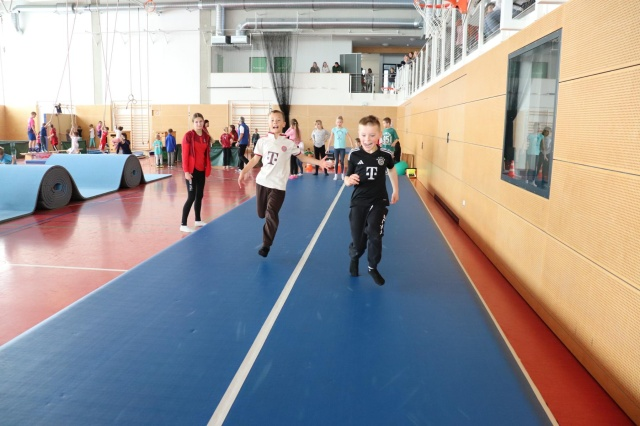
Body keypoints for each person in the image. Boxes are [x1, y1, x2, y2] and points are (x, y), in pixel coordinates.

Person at [238, 110, 328, 258]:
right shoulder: (262, 141)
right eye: (272, 120)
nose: (275, 122)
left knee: (271, 213)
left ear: (284, 124)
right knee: (261, 214)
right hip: (262, 182)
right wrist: (243, 171)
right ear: (268, 123)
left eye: (278, 120)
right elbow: (255, 160)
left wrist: (319, 162)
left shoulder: (289, 143)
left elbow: (303, 158)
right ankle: (265, 228)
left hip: (278, 185)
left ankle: (266, 245)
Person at [345, 115, 399, 286]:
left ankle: (372, 267)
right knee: (359, 242)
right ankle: (355, 256)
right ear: (358, 134)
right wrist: (348, 180)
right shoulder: (354, 154)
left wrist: (396, 190)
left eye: (372, 135)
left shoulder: (385, 155)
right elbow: (347, 177)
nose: (367, 139)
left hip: (379, 200)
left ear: (379, 135)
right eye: (363, 135)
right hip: (359, 202)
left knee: (375, 234)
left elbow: (392, 170)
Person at [181, 112, 211, 233]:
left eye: (201, 121)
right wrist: (186, 171)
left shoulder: (205, 136)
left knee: (200, 195)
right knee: (191, 197)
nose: (199, 124)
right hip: (191, 171)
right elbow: (185, 154)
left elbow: (206, 154)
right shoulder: (188, 136)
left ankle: (197, 220)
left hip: (201, 170)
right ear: (193, 123)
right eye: (196, 122)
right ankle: (183, 224)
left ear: (204, 122)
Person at [327, 115, 354, 181]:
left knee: (342, 161)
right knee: (336, 161)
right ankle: (336, 175)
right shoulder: (334, 129)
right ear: (336, 122)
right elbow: (330, 138)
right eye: (338, 122)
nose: (339, 123)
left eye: (340, 122)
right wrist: (328, 147)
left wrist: (352, 145)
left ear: (342, 122)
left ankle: (342, 175)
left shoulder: (344, 130)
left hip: (342, 148)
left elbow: (349, 137)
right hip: (336, 148)